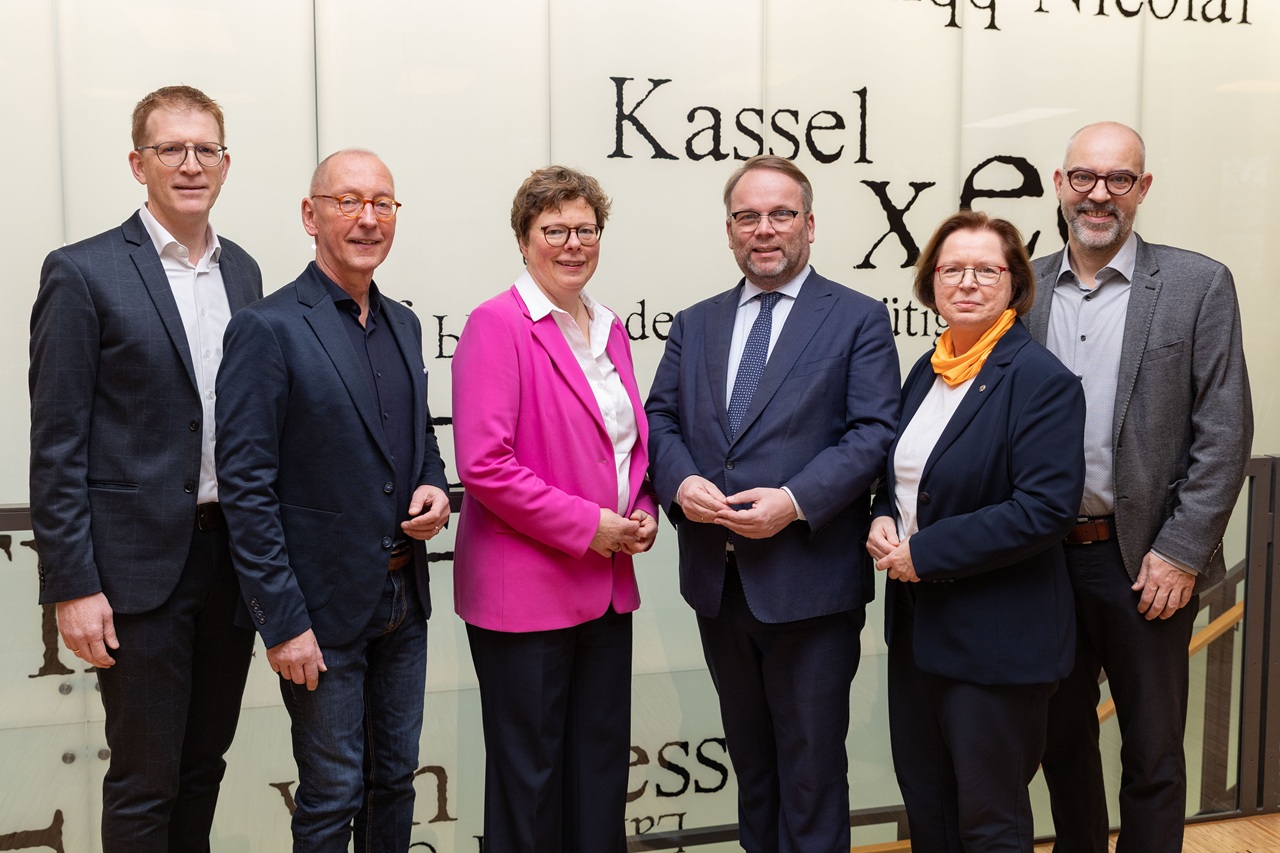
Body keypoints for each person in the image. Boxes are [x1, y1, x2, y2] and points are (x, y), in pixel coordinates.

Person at [29, 85, 261, 852]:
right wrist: (72, 582)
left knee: (204, 766)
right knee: (143, 779)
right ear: (139, 162)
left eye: (206, 149)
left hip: (228, 561)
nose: (191, 164)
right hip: (133, 573)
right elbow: (57, 442)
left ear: (226, 163)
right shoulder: (83, 272)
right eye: (171, 149)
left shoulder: (245, 274)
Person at [645, 155, 899, 852]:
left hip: (810, 586)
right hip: (719, 586)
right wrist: (680, 482)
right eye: (748, 216)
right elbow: (659, 420)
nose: (765, 229)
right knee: (754, 771)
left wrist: (793, 500)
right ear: (729, 231)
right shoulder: (696, 324)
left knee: (812, 774)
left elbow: (874, 430)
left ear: (810, 225)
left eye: (781, 214)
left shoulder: (857, 319)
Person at [215, 149, 451, 852]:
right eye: (348, 201)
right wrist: (282, 622)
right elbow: (246, 488)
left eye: (382, 202)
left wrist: (436, 487)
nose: (368, 217)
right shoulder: (268, 327)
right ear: (310, 215)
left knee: (396, 781)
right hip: (318, 614)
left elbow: (420, 448)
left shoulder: (404, 324)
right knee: (332, 792)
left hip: (404, 600)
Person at [1028, 121, 1253, 853]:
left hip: (1146, 563)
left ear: (1142, 189)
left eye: (1119, 179)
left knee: (1152, 751)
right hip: (1041, 560)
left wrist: (1182, 551)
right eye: (1084, 177)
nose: (1100, 194)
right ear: (1059, 184)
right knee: (1060, 739)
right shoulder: (1021, 287)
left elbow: (1224, 431)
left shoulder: (1197, 283)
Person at [451, 165, 658, 853]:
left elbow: (623, 447)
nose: (573, 243)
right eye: (554, 230)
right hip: (527, 592)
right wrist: (589, 525)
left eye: (586, 229)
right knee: (530, 779)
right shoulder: (495, 324)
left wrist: (643, 505)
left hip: (604, 587)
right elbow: (485, 465)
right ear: (523, 239)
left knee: (598, 769)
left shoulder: (610, 329)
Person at [866, 211, 1086, 851]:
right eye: (951, 269)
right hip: (918, 627)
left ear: (1014, 283)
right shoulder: (927, 371)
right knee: (929, 809)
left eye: (986, 269)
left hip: (997, 637)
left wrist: (923, 552)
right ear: (931, 282)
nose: (967, 283)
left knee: (990, 822)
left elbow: (1044, 509)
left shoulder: (1041, 381)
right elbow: (901, 480)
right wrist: (881, 517)